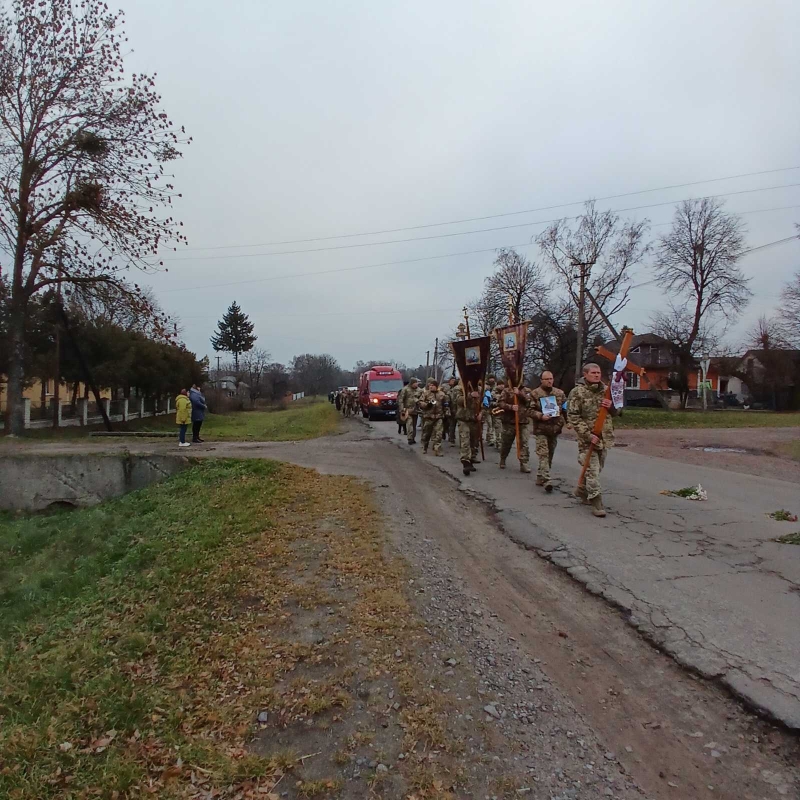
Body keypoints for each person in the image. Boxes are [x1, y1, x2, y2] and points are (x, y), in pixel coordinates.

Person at [567, 362, 617, 517]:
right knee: (592, 471)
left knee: (596, 469)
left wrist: (612, 407)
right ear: (585, 374)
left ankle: (582, 490)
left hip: (604, 438)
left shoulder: (607, 391)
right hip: (587, 439)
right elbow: (573, 416)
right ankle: (597, 503)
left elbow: (618, 412)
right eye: (593, 373)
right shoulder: (577, 392)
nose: (597, 375)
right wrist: (588, 435)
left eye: (599, 372)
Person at [530, 371, 567, 492]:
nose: (549, 381)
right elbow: (528, 410)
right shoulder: (535, 394)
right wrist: (540, 416)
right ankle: (547, 480)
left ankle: (541, 476)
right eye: (546, 379)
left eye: (551, 378)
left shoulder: (559, 393)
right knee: (543, 453)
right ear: (541, 380)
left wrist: (568, 421)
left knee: (550, 454)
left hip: (555, 428)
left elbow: (566, 409)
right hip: (541, 429)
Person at [498, 382, 532, 472]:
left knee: (524, 443)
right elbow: (500, 403)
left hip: (523, 421)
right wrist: (511, 407)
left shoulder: (526, 390)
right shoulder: (506, 390)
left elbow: (529, 402)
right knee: (506, 443)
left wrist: (520, 394)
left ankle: (524, 463)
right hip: (509, 422)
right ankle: (503, 458)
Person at [451, 380, 482, 475]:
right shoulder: (459, 388)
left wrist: (481, 413)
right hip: (463, 418)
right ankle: (465, 462)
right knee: (465, 440)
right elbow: (458, 400)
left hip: (474, 419)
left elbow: (484, 403)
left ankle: (471, 459)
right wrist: (470, 395)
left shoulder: (480, 388)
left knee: (473, 441)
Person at [418, 378, 445, 456]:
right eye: (430, 385)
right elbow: (420, 402)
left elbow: (445, 404)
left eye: (433, 385)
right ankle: (424, 447)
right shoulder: (426, 394)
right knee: (426, 434)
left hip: (439, 417)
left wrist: (446, 412)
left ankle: (437, 449)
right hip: (428, 416)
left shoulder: (442, 394)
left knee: (439, 434)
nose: (431, 387)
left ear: (436, 386)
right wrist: (427, 405)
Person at [398, 376, 422, 445]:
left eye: (417, 383)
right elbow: (401, 400)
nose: (416, 384)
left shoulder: (419, 390)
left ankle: (413, 438)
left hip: (416, 410)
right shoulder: (405, 389)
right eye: (415, 383)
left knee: (414, 425)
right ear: (412, 383)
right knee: (409, 424)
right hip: (407, 410)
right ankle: (410, 438)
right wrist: (402, 409)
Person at [482, 375, 497, 446]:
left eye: (493, 378)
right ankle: (490, 438)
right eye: (490, 378)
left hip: (494, 408)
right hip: (486, 408)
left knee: (493, 424)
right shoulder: (484, 386)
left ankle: (489, 437)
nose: (492, 380)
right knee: (489, 423)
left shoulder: (496, 386)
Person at [491, 378, 505, 448]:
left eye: (503, 384)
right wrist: (497, 404)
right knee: (498, 430)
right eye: (500, 385)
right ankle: (499, 444)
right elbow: (490, 403)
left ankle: (503, 443)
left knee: (504, 430)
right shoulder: (493, 393)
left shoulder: (505, 393)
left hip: (505, 414)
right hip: (497, 413)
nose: (502, 386)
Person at [445, 376, 459, 445]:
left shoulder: (450, 391)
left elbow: (447, 401)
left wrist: (447, 409)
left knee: (452, 425)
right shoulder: (451, 391)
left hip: (453, 409)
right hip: (457, 410)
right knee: (454, 425)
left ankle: (451, 439)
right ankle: (452, 438)